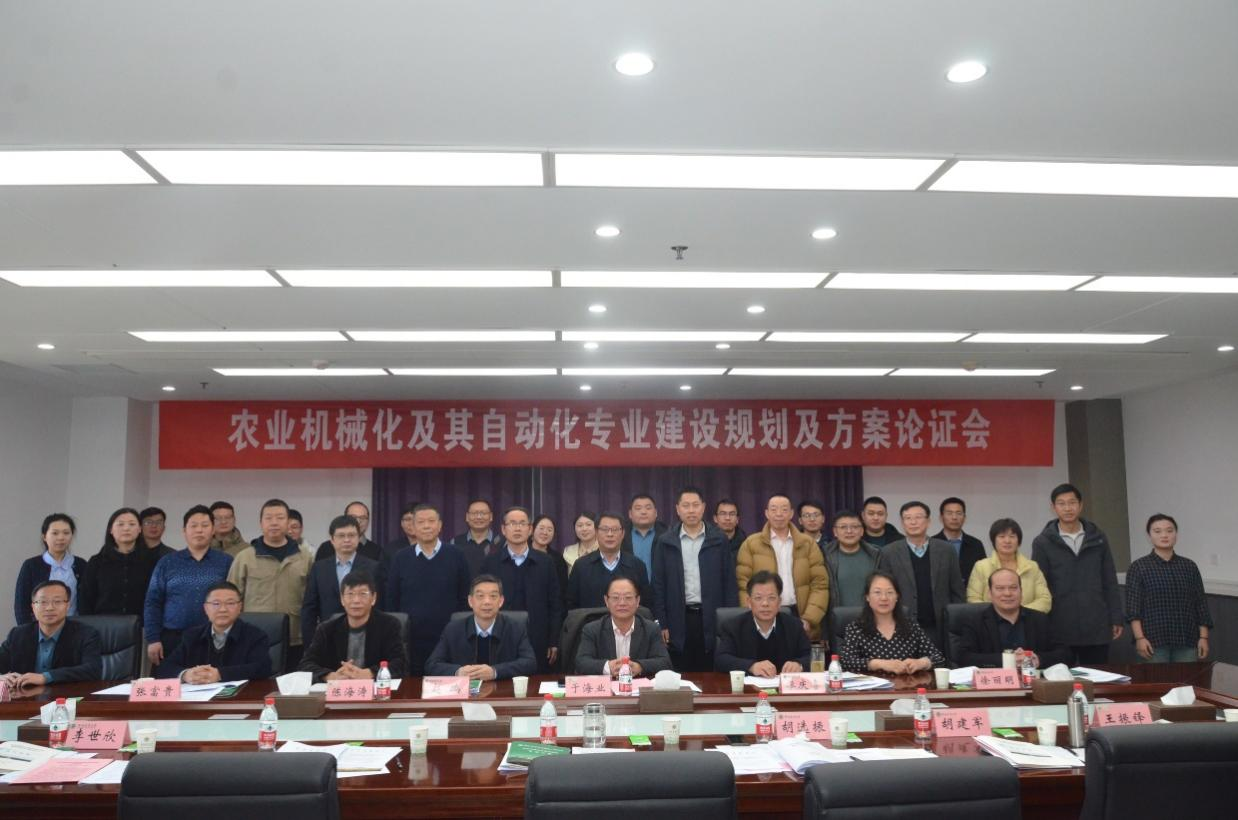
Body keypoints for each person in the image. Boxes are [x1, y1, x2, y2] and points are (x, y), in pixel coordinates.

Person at [1031, 483, 1123, 665]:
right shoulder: (1043, 542)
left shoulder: (1098, 538)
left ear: (1080, 505)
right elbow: (1041, 585)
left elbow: (1109, 580)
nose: (1067, 508)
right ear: (1053, 507)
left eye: (1072, 502)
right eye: (1061, 503)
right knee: (1061, 679)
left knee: (1098, 677)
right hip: (1060, 626)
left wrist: (1116, 617)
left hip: (1096, 624)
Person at [652, 487, 737, 672]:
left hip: (712, 616)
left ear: (703, 507)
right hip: (678, 617)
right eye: (686, 505)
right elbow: (658, 585)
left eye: (695, 505)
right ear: (677, 509)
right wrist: (662, 622)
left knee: (710, 671)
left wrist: (729, 620)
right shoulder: (665, 541)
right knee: (680, 671)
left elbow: (729, 583)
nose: (691, 510)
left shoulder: (719, 539)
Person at [226, 498, 314, 670]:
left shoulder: (305, 557)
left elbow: (312, 599)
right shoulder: (245, 557)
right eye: (268, 518)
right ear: (261, 523)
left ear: (288, 522)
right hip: (254, 636)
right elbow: (231, 599)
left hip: (295, 637)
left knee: (293, 684)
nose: (274, 522)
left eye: (280, 518)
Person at [143, 505, 234, 669]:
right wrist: (153, 639)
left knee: (211, 683)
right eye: (194, 525)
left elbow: (234, 602)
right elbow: (153, 602)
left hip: (214, 638)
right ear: (184, 531)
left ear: (213, 530)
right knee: (170, 683)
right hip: (173, 639)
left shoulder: (226, 562)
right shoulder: (167, 562)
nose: (199, 530)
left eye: (205, 525)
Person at [386, 503, 470, 675]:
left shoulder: (456, 555)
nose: (426, 526)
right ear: (413, 527)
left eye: (431, 521)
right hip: (411, 637)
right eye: (421, 522)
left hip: (449, 635)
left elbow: (465, 597)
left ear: (440, 525)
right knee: (413, 684)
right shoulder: (401, 558)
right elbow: (392, 599)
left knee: (448, 682)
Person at [481, 506, 564, 673]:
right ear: (503, 529)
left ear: (530, 529)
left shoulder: (546, 562)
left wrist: (553, 640)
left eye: (522, 523)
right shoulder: (491, 563)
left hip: (538, 638)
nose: (517, 528)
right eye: (512, 523)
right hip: (501, 637)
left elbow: (555, 604)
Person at [736, 493, 829, 639]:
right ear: (766, 513)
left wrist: (809, 618)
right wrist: (752, 616)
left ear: (791, 513)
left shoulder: (808, 544)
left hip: (799, 615)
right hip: (763, 614)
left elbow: (820, 584)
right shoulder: (751, 544)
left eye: (784, 509)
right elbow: (743, 585)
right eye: (774, 509)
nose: (779, 514)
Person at [1125, 514, 1212, 662]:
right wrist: (1139, 638)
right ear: (1149, 536)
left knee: (1187, 677)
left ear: (1176, 534)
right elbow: (1133, 609)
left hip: (1187, 639)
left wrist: (1203, 637)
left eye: (1169, 531)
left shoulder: (1189, 566)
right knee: (1155, 678)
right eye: (1157, 531)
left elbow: (1200, 604)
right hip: (1152, 641)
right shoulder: (1139, 567)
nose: (1164, 535)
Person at [876, 501, 964, 648]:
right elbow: (884, 591)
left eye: (918, 517)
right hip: (901, 626)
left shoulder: (946, 550)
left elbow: (957, 590)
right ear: (902, 523)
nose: (913, 522)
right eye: (908, 518)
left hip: (939, 625)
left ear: (928, 521)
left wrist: (957, 622)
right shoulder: (889, 552)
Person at [299, 571, 408, 683]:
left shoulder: (389, 625)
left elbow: (400, 664)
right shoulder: (326, 630)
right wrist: (331, 676)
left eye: (363, 594)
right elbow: (306, 664)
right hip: (338, 690)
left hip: (375, 690)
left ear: (374, 598)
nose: (356, 600)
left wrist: (369, 673)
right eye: (350, 594)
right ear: (342, 599)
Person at [425, 575, 537, 680]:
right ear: (470, 601)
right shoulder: (453, 629)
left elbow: (530, 663)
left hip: (502, 691)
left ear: (501, 601)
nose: (487, 602)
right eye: (480, 596)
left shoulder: (515, 628)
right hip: (464, 691)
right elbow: (431, 665)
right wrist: (458, 671)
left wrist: (495, 672)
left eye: (493, 596)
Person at [955, 569, 1070, 669]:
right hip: (996, 684)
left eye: (1013, 588)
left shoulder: (1040, 620)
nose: (1007, 593)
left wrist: (1038, 659)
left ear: (1021, 591)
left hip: (1034, 682)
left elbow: (1066, 654)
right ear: (990, 593)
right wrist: (1007, 660)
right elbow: (963, 658)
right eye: (1000, 588)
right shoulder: (975, 622)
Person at [160, 581, 272, 682]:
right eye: (216, 604)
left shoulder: (255, 635)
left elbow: (263, 668)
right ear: (206, 608)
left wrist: (220, 674)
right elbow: (166, 667)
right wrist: (185, 675)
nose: (223, 609)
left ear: (240, 607)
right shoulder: (192, 635)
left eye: (230, 603)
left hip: (241, 695)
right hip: (200, 696)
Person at [839, 571, 945, 674]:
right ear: (867, 597)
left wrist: (921, 663)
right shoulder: (856, 628)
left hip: (907, 684)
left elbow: (938, 658)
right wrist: (877, 664)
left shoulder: (911, 626)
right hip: (872, 686)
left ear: (897, 597)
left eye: (890, 592)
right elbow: (845, 662)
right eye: (877, 592)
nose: (884, 598)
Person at [1, 580, 102, 687]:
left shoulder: (86, 634)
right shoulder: (18, 634)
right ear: (33, 607)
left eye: (57, 601)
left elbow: (93, 670)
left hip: (68, 695)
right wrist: (2, 677)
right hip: (25, 696)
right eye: (43, 602)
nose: (50, 608)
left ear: (68, 606)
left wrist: (46, 677)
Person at [301, 514, 381, 647]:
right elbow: (309, 609)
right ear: (332, 539)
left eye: (351, 535)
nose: (347, 540)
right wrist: (311, 644)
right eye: (341, 536)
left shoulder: (373, 568)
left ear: (358, 538)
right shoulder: (319, 568)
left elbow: (378, 607)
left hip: (364, 636)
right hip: (327, 638)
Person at [715, 571, 812, 675]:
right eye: (758, 598)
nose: (765, 604)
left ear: (779, 602)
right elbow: (721, 659)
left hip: (783, 684)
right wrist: (751, 666)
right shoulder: (733, 627)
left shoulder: (794, 626)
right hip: (747, 685)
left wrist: (799, 664)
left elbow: (811, 656)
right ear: (749, 602)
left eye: (771, 598)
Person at [576, 576, 671, 677]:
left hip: (638, 685)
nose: (622, 603)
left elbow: (665, 662)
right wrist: (608, 667)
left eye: (628, 597)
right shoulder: (592, 630)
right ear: (606, 601)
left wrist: (640, 666)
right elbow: (581, 663)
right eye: (615, 598)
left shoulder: (651, 629)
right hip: (607, 686)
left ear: (638, 601)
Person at [79, 507, 158, 619]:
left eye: (132, 524)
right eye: (120, 524)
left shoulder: (151, 561)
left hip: (140, 625)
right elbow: (85, 600)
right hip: (103, 625)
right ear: (111, 530)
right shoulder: (96, 562)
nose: (126, 528)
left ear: (140, 529)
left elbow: (156, 599)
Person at [566, 512, 651, 610]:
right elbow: (571, 604)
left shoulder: (637, 565)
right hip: (590, 620)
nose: (610, 534)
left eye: (615, 529)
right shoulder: (581, 566)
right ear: (596, 532)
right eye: (605, 529)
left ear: (623, 533)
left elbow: (645, 604)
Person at [967, 518, 1052, 613]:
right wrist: (998, 615)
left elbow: (1044, 600)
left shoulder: (1032, 567)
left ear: (1019, 541)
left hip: (1027, 619)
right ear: (993, 540)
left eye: (1012, 536)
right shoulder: (981, 566)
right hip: (990, 621)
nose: (1007, 541)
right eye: (1002, 536)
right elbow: (973, 599)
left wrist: (1020, 614)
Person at [14, 513, 86, 625]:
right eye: (55, 533)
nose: (61, 538)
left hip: (76, 627)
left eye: (66, 533)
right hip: (41, 628)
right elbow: (21, 605)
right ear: (44, 536)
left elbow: (87, 601)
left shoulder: (81, 565)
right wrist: (27, 631)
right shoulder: (31, 565)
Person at [821, 510, 881, 630]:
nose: (849, 531)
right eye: (843, 527)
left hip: (872, 621)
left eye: (854, 527)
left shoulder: (876, 555)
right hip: (837, 623)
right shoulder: (824, 556)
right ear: (835, 532)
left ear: (862, 531)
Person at [933, 497, 986, 584]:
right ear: (941, 517)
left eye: (959, 513)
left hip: (969, 591)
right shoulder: (931, 544)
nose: (954, 517)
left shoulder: (976, 544)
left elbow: (983, 575)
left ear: (964, 518)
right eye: (949, 513)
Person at [452, 498, 506, 579]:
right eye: (474, 513)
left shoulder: (502, 542)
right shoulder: (455, 542)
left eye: (483, 513)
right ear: (467, 517)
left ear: (491, 517)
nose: (479, 517)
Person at [314, 501, 380, 563]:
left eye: (363, 517)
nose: (358, 521)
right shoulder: (326, 548)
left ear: (368, 521)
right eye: (353, 517)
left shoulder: (377, 551)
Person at [622, 494, 667, 579]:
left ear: (656, 513)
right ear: (630, 514)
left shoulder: (667, 535)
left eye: (648, 508)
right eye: (638, 508)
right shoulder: (620, 534)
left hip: (659, 586)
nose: (643, 512)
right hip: (627, 586)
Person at [381, 501, 420, 573]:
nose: (412, 523)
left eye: (416, 519)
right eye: (408, 519)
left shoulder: (435, 548)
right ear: (402, 523)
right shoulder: (391, 549)